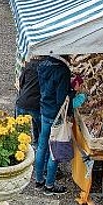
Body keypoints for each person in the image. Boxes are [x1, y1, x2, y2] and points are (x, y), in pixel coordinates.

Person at [34, 56, 70, 194]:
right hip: (56, 114)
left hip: (44, 110)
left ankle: (39, 181)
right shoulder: (62, 70)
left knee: (42, 146)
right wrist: (73, 92)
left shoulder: (42, 64)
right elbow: (61, 98)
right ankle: (49, 185)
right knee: (55, 149)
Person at [14, 57, 43, 142]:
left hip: (22, 101)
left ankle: (21, 149)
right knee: (38, 129)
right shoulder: (46, 68)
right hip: (36, 104)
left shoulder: (28, 66)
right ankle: (36, 146)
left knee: (19, 130)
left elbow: (21, 82)